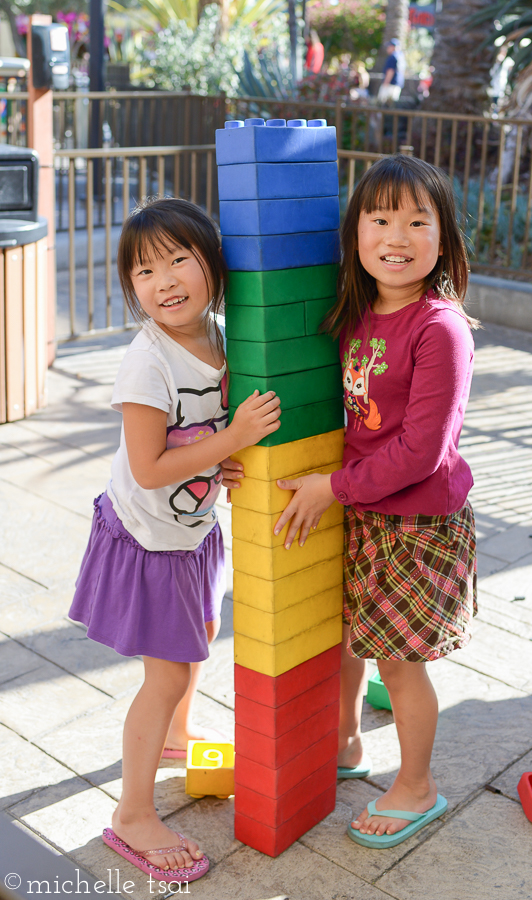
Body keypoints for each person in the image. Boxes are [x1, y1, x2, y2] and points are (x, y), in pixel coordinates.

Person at [69, 198, 281, 880]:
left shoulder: (221, 336)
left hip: (188, 529)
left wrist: (221, 458)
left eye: (178, 260)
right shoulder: (146, 363)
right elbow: (149, 465)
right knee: (165, 674)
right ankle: (131, 813)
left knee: (195, 642)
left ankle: (174, 741)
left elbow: (193, 443)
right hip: (147, 537)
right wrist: (231, 439)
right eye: (142, 270)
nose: (162, 280)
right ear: (130, 287)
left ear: (212, 266)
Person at [271, 155, 478, 849]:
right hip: (363, 511)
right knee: (351, 637)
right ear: (353, 232)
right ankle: (347, 742)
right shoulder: (353, 310)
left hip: (417, 522)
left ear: (442, 240)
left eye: (417, 221)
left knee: (398, 660)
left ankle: (417, 786)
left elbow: (420, 450)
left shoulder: (438, 327)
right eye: (379, 218)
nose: (397, 235)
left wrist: (329, 488)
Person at [377, 37, 405, 105]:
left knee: (382, 103)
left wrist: (385, 83)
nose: (387, 48)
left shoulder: (393, 57)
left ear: (393, 47)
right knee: (392, 105)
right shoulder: (401, 56)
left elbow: (390, 71)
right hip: (397, 85)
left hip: (390, 85)